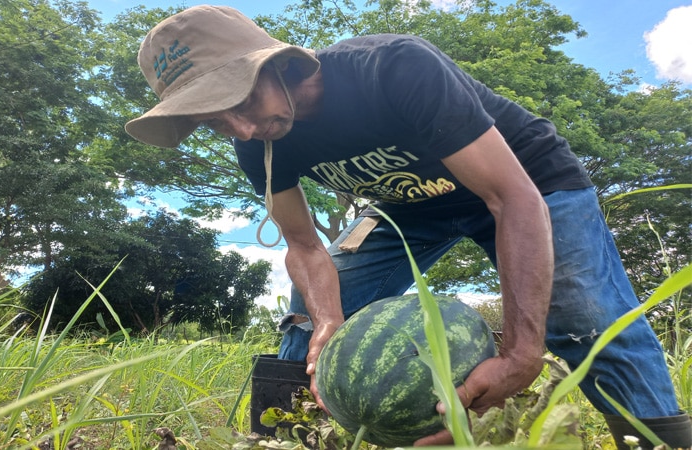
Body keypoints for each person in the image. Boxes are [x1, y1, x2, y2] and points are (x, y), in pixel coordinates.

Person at [125, 5, 691, 448]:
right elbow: (303, 245)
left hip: (526, 183)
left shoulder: (393, 68)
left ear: (276, 63)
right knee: (310, 309)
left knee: (585, 318)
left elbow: (510, 197)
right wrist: (328, 319)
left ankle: (658, 440)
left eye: (239, 101)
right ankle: (287, 437)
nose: (242, 130)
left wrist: (522, 353)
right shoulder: (260, 148)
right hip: (412, 201)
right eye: (214, 120)